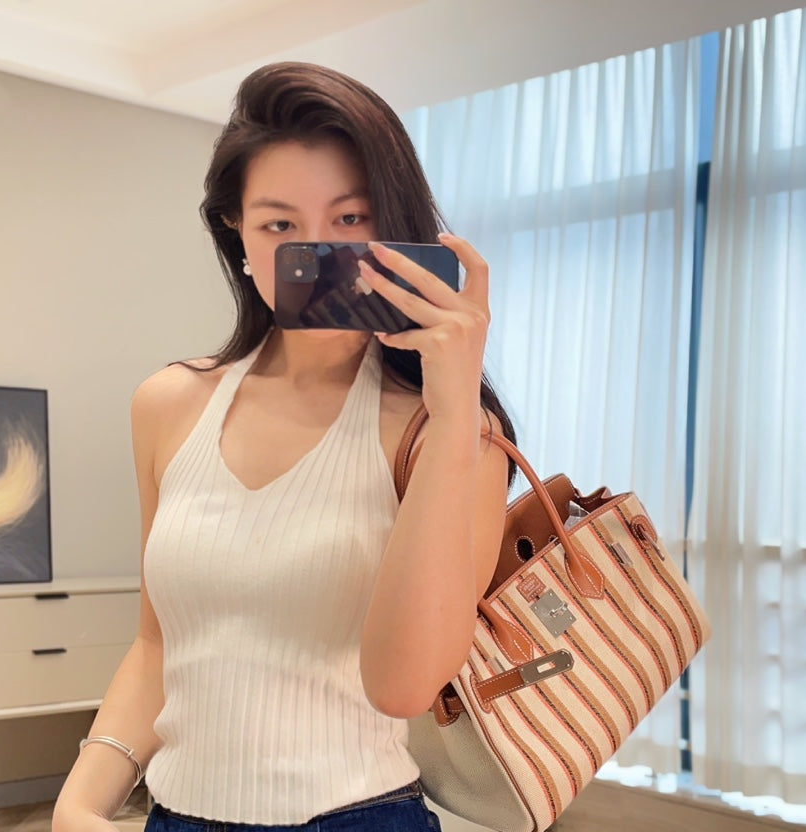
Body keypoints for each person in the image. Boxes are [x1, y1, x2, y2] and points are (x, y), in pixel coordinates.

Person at [51, 61, 517, 832]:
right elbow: (158, 643)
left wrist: (453, 409)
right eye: (279, 226)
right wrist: (79, 801)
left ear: (396, 228)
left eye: (349, 218)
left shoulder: (448, 434)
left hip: (359, 819)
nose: (317, 252)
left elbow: (404, 688)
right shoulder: (167, 404)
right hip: (176, 817)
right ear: (235, 233)